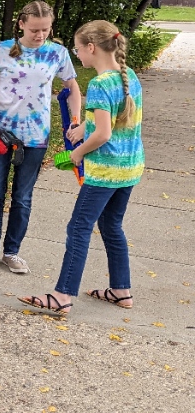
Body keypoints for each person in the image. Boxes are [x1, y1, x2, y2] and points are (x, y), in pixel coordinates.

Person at [20, 21, 144, 317]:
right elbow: (116, 120)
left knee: (78, 227)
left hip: (105, 172)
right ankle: (121, 290)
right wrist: (84, 127)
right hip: (129, 169)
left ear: (91, 48)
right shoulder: (128, 76)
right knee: (111, 226)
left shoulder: (100, 84)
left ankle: (62, 296)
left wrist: (77, 153)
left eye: (78, 50)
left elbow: (104, 135)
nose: (77, 56)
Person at [0, 1, 81, 274]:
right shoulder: (1, 50)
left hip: (36, 136)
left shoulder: (57, 53)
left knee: (22, 197)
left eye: (45, 30)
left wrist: (76, 120)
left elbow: (72, 88)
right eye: (34, 30)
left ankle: (13, 252)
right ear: (21, 25)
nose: (40, 35)